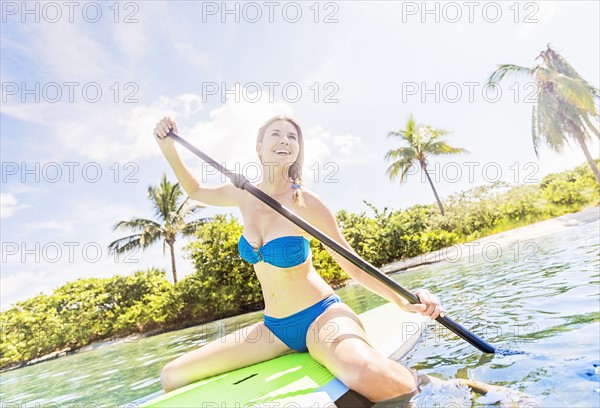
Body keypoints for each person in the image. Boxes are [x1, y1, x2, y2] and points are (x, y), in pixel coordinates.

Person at [153, 115, 446, 403]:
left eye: (292, 137)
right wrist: (167, 146)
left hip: (319, 317)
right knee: (173, 375)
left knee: (364, 371)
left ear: (298, 149)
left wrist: (399, 300)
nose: (285, 140)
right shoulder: (242, 195)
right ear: (259, 146)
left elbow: (351, 263)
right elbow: (195, 190)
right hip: (273, 328)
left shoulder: (306, 202)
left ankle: (428, 385)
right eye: (276, 134)